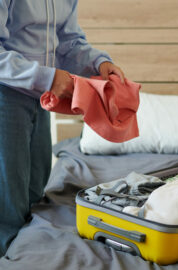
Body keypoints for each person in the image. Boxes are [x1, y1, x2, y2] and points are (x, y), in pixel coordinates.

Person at [0, 0, 125, 256]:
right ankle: (10, 258)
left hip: (40, 96)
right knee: (8, 199)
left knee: (35, 189)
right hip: (6, 95)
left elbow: (69, 41)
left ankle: (28, 253)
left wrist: (99, 63)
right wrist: (48, 77)